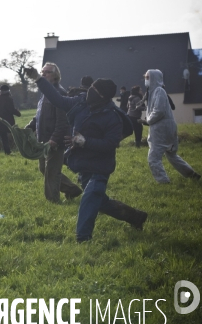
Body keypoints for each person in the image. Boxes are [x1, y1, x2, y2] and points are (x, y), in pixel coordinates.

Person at [26, 67, 148, 242]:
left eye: (95, 91)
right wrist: (38, 79)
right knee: (101, 203)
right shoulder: (81, 102)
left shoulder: (112, 117)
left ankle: (83, 239)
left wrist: (85, 141)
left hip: (100, 168)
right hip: (83, 166)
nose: (90, 92)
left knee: (89, 198)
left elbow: (110, 144)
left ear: (103, 97)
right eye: (91, 88)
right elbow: (57, 99)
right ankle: (136, 217)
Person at [25, 63, 82, 203]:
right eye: (42, 72)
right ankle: (71, 189)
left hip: (54, 141)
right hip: (42, 139)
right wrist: (28, 128)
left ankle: (53, 201)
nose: (43, 74)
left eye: (47, 72)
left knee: (51, 172)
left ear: (56, 76)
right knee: (44, 169)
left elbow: (63, 121)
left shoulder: (59, 94)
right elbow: (39, 116)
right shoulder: (45, 93)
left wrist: (54, 139)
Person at [141, 69, 200, 183]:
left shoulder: (159, 91)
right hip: (164, 128)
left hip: (161, 130)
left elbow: (159, 111)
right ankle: (191, 174)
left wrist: (148, 120)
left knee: (153, 158)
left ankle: (164, 182)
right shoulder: (154, 92)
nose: (146, 80)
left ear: (154, 78)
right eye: (145, 77)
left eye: (148, 78)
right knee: (171, 155)